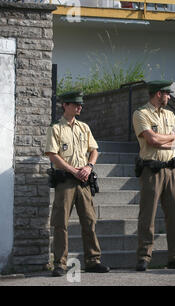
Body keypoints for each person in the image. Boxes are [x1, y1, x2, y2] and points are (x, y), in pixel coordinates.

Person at [45, 91, 110, 277]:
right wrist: (73, 170)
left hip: (84, 182)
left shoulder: (84, 127)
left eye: (80, 104)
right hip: (66, 181)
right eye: (75, 104)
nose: (79, 107)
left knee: (89, 221)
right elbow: (52, 154)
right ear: (65, 105)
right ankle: (60, 263)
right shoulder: (55, 128)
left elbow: (94, 150)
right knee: (60, 223)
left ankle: (93, 260)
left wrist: (89, 166)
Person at [133, 80, 175, 271]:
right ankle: (144, 257)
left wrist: (165, 141)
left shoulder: (170, 114)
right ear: (158, 94)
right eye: (167, 94)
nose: (169, 97)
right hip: (152, 170)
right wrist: (171, 138)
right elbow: (151, 140)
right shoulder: (141, 113)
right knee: (147, 215)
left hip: (171, 168)